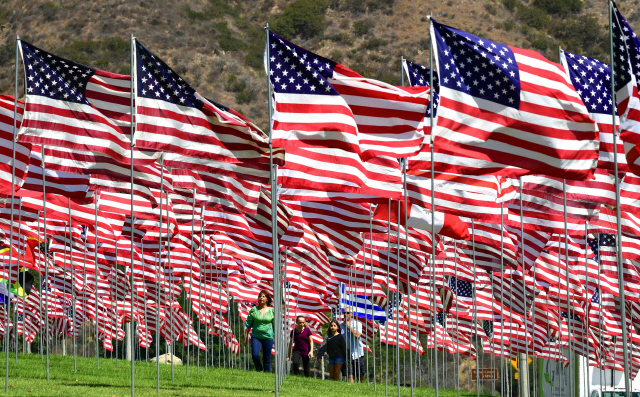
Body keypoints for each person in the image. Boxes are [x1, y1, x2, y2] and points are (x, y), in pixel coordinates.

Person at [243, 290, 275, 372]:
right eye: (260, 296)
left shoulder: (272, 311)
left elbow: (275, 325)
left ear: (267, 299)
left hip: (268, 337)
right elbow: (249, 324)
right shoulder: (254, 310)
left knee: (266, 358)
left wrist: (276, 337)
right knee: (255, 355)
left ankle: (267, 375)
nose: (261, 298)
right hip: (256, 336)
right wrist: (245, 337)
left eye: (263, 296)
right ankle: (259, 368)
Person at [341, 307, 365, 382]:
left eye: (347, 313)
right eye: (344, 313)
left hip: (357, 353)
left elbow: (357, 335)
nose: (345, 314)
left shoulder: (358, 324)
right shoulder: (340, 326)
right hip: (346, 354)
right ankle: (350, 389)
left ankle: (361, 387)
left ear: (351, 314)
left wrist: (348, 327)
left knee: (361, 375)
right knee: (349, 374)